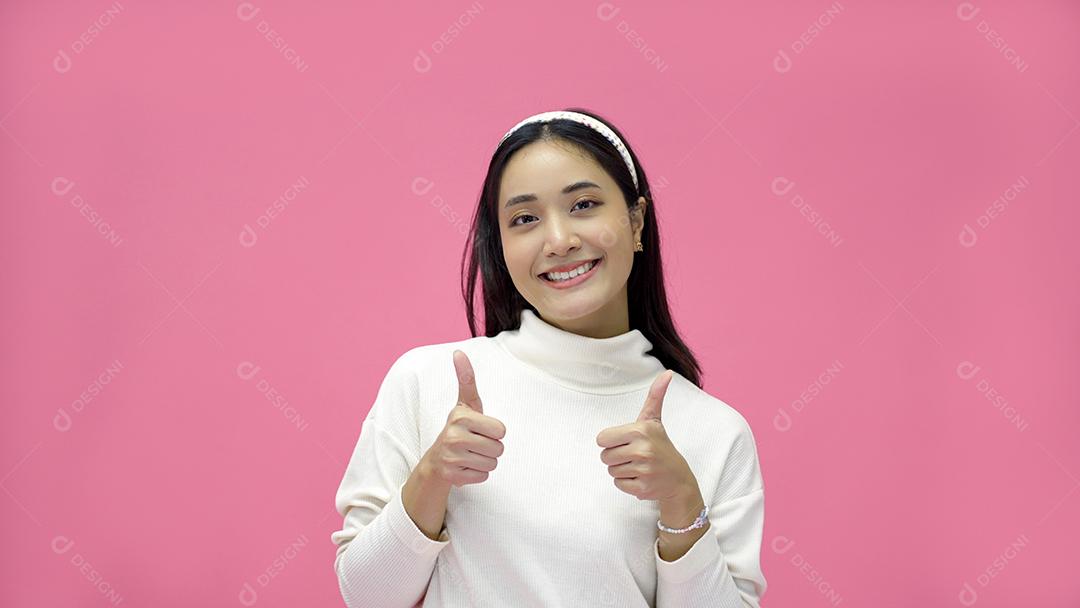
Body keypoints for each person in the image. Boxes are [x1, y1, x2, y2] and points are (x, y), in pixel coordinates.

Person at [331, 108, 767, 607]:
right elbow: (367, 597)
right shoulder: (427, 382)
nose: (559, 241)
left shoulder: (713, 432)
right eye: (525, 219)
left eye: (583, 204)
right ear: (502, 247)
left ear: (636, 220)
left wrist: (681, 504)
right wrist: (432, 477)